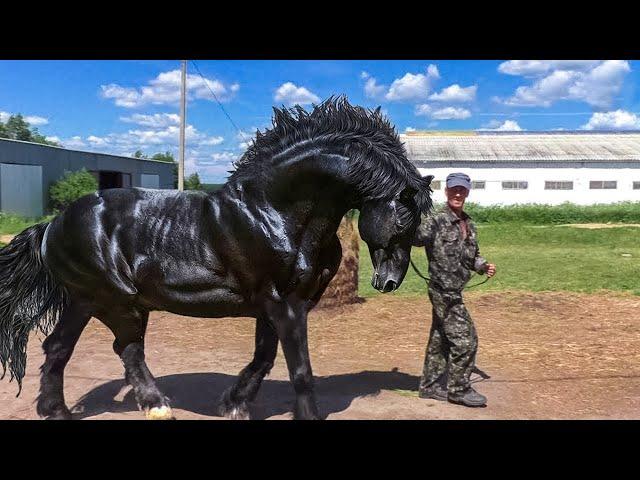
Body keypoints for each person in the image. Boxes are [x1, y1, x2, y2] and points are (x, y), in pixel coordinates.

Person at [413, 172, 496, 407]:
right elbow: (415, 238)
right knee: (466, 340)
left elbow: (472, 255)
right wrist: (408, 210)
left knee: (440, 339)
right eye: (453, 189)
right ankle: (459, 389)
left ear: (467, 192)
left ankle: (429, 386)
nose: (458, 193)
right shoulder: (436, 220)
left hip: (455, 291)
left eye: (462, 190)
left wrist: (483, 266)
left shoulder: (469, 224)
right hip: (443, 292)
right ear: (446, 191)